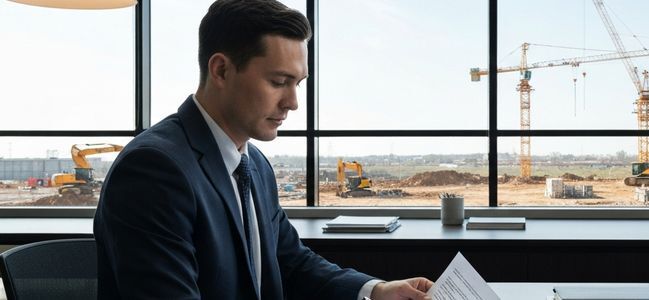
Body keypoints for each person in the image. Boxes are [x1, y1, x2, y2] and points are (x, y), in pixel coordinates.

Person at [93, 0, 433, 299]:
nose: (293, 103)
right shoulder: (154, 169)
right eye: (278, 82)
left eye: (297, 84)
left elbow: (289, 260)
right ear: (222, 70)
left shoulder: (253, 163)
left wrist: (375, 291)